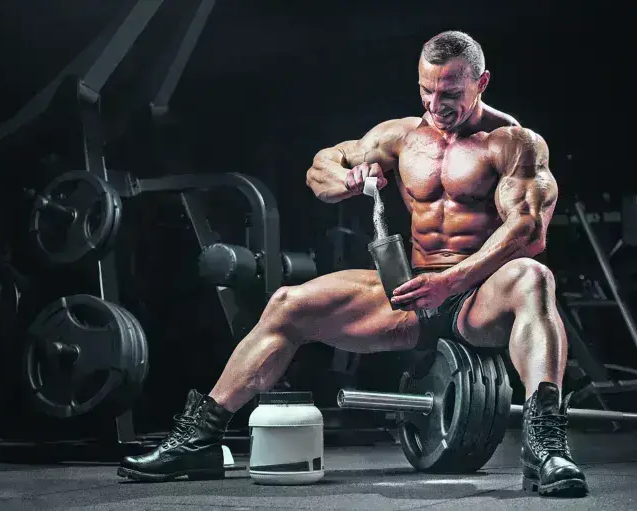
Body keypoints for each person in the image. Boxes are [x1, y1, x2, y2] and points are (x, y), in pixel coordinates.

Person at [117, 30, 587, 498]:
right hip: (413, 292)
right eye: (426, 89)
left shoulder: (513, 143)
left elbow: (528, 230)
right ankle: (199, 439)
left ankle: (545, 446)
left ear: (481, 83)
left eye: (450, 93)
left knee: (533, 278)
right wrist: (348, 179)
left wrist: (453, 280)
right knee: (287, 304)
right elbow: (320, 168)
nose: (435, 103)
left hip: (479, 294)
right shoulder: (403, 136)